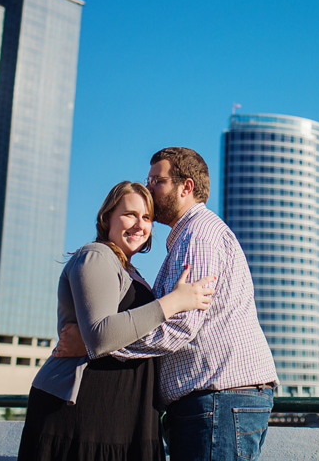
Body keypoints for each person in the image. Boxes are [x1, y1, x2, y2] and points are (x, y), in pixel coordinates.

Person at [55, 147, 279, 461]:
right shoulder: (188, 238)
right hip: (213, 399)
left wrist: (99, 344)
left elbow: (179, 325)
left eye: (157, 181)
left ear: (186, 187)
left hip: (216, 398)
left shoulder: (197, 237)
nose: (149, 189)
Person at [18, 181, 216, 461]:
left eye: (146, 217)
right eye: (130, 214)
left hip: (124, 414)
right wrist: (175, 301)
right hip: (84, 413)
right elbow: (101, 335)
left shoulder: (128, 269)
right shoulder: (96, 255)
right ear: (107, 217)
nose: (139, 224)